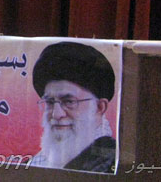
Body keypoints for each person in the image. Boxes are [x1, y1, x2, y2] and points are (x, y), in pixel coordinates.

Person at [30, 41, 116, 173]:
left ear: (99, 107)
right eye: (50, 102)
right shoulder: (35, 162)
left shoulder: (111, 163)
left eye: (69, 101)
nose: (56, 114)